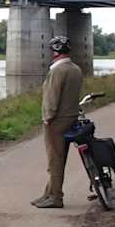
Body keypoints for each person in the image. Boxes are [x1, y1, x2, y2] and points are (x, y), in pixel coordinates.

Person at [33, 34, 84, 209]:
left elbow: (51, 97)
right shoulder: (75, 69)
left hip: (57, 120)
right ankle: (48, 193)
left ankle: (56, 198)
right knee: (59, 158)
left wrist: (47, 117)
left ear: (55, 51)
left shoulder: (57, 70)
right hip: (71, 117)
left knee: (55, 159)